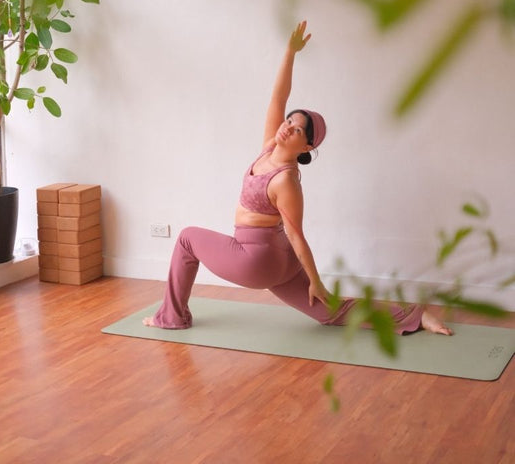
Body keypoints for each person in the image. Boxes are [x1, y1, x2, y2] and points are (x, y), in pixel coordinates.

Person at [144, 21, 452, 336]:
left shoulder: (285, 181)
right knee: (332, 311)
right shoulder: (269, 147)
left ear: (306, 147)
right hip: (280, 262)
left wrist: (316, 281)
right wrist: (290, 53)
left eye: (298, 129)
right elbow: (279, 96)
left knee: (186, 238)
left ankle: (173, 317)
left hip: (257, 260)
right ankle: (416, 317)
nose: (288, 125)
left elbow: (296, 236)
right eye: (291, 119)